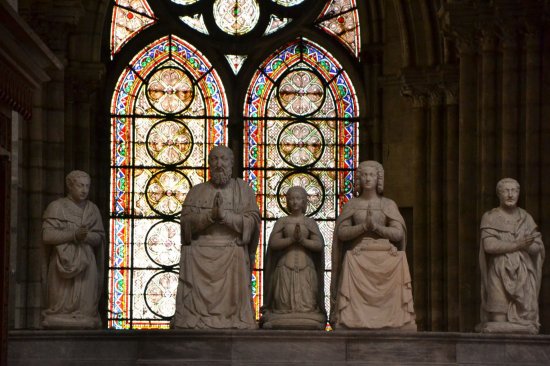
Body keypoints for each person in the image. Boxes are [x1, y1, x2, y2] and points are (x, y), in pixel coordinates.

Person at [173, 146, 260, 329]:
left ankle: (234, 318)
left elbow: (252, 224)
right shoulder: (196, 192)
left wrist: (226, 217)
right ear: (209, 164)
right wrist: (210, 217)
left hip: (232, 251)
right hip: (200, 255)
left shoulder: (243, 190)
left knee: (237, 253)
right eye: (214, 159)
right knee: (190, 252)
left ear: (232, 163)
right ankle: (193, 316)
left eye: (224, 159)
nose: (219, 164)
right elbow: (186, 227)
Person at [330, 160, 416, 330]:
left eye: (372, 175)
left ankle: (395, 319)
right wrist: (363, 227)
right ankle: (352, 319)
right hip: (358, 258)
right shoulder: (352, 205)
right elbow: (342, 233)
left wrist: (376, 227)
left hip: (385, 259)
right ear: (358, 179)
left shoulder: (388, 205)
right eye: (364, 175)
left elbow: (398, 234)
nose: (368, 179)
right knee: (351, 260)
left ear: (379, 179)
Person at [478, 178, 544, 334]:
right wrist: (518, 244)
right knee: (498, 318)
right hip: (499, 271)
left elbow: (537, 248)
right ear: (498, 194)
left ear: (518, 193)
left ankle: (521, 326)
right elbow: (489, 246)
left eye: (514, 191)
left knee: (526, 315)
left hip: (523, 273)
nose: (510, 195)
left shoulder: (526, 218)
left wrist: (529, 245)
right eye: (506, 191)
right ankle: (520, 327)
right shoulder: (490, 217)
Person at [41, 170, 104, 329]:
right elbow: (47, 236)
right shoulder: (56, 207)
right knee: (58, 305)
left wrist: (86, 236)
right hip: (62, 263)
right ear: (70, 186)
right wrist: (73, 235)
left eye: (87, 186)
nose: (84, 190)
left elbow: (99, 239)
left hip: (86, 264)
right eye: (80, 185)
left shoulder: (92, 210)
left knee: (86, 308)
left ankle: (85, 316)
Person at [261, 186, 326, 329]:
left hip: (305, 267)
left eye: (298, 198)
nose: (295, 202)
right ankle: (281, 313)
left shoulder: (310, 223)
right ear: (287, 202)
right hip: (285, 267)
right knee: (283, 302)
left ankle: (307, 313)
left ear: (304, 202)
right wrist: (291, 240)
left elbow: (319, 245)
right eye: (291, 199)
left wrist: (302, 241)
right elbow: (273, 243)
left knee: (307, 303)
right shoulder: (282, 222)